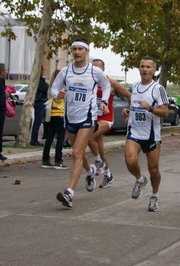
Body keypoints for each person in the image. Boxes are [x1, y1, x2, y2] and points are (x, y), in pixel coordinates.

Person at [51, 38, 111, 208]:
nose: (76, 52)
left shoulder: (94, 71)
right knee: (78, 153)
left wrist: (103, 101)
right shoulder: (65, 71)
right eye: (74, 49)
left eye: (80, 49)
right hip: (70, 117)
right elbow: (53, 88)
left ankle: (69, 193)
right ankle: (90, 171)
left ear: (87, 51)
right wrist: (57, 95)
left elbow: (106, 86)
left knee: (77, 151)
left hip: (87, 117)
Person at [121, 56, 169, 212]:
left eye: (148, 67)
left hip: (151, 135)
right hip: (134, 132)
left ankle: (154, 196)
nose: (144, 69)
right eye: (142, 66)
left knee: (153, 169)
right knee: (130, 161)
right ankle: (140, 180)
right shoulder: (135, 86)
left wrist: (150, 108)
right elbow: (133, 105)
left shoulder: (157, 89)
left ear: (154, 70)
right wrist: (128, 112)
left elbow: (165, 112)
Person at [86, 59, 131, 188]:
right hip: (94, 117)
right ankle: (108, 174)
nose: (95, 70)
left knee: (89, 137)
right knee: (100, 151)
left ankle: (98, 162)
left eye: (98, 68)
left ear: (103, 69)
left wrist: (130, 112)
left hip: (106, 119)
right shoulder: (89, 82)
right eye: (92, 67)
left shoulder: (110, 82)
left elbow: (129, 95)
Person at [41, 69, 69, 170]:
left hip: (51, 114)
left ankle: (45, 159)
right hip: (61, 114)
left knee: (49, 137)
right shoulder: (63, 88)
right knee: (60, 139)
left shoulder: (50, 88)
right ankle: (58, 161)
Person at [30, 65, 49, 146]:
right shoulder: (38, 80)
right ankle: (34, 140)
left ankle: (39, 137)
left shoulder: (39, 80)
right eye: (42, 70)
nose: (43, 71)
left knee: (41, 121)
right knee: (37, 121)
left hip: (40, 101)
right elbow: (46, 88)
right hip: (39, 101)